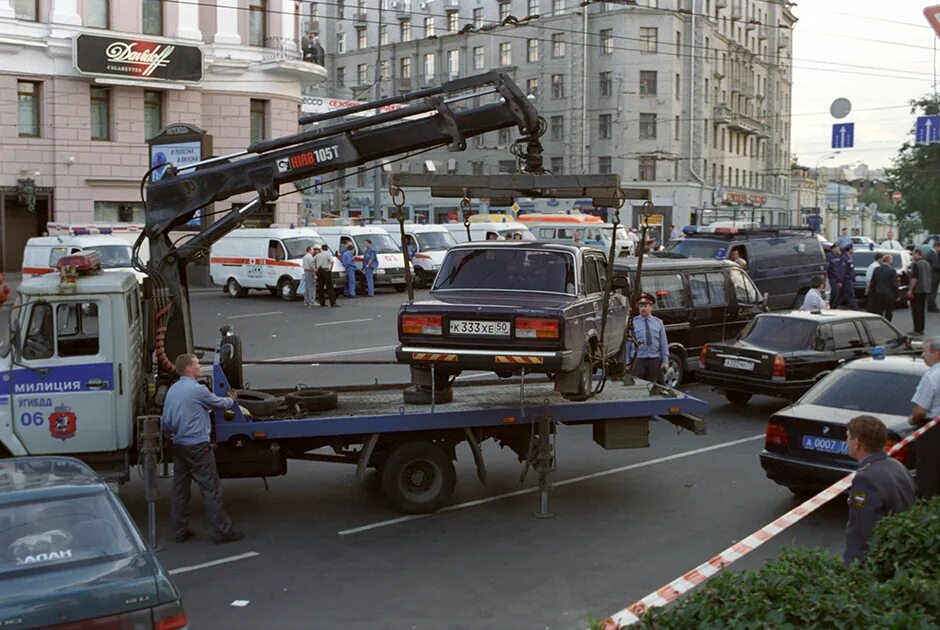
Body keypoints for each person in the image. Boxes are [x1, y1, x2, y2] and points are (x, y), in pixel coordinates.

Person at [161, 354, 245, 544]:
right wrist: (232, 398)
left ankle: (180, 531)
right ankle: (223, 531)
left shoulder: (173, 390)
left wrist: (172, 436)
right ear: (189, 369)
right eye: (197, 364)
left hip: (179, 445)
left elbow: (166, 422)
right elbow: (220, 404)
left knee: (180, 490)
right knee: (210, 489)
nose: (200, 367)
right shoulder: (197, 390)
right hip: (197, 446)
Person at [842, 414, 915, 566]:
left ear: (857, 443)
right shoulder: (897, 466)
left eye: (848, 437)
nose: (846, 441)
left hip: (865, 564)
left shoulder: (865, 478)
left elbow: (868, 530)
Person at [908, 337, 940, 499]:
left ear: (936, 354)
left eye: (925, 351)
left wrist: (912, 420)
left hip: (932, 431)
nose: (922, 355)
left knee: (928, 470)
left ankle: (926, 505)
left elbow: (920, 410)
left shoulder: (931, 377)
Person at [627, 292, 669, 384]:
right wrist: (627, 362)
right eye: (641, 306)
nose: (643, 309)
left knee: (653, 385)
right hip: (638, 360)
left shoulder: (658, 322)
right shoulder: (633, 322)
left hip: (654, 359)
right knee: (637, 386)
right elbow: (628, 344)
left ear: (651, 307)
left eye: (645, 306)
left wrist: (665, 361)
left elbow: (663, 343)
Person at [867, 254, 898, 321]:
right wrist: (897, 295)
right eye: (891, 259)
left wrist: (871, 293)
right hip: (888, 295)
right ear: (889, 260)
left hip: (878, 294)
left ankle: (879, 323)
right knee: (888, 312)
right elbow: (894, 284)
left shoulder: (876, 269)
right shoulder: (892, 271)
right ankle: (888, 323)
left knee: (878, 311)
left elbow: (873, 283)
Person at [908, 248, 931, 335]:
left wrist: (910, 290)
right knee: (921, 310)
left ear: (917, 254)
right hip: (925, 289)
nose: (912, 256)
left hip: (917, 290)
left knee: (916, 310)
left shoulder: (916, 264)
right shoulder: (927, 263)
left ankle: (916, 329)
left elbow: (914, 278)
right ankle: (921, 329)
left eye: (913, 254)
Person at [836, 242, 858, 310]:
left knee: (841, 296)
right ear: (849, 250)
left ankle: (833, 307)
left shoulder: (848, 257)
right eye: (852, 249)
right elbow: (842, 270)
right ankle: (855, 309)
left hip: (849, 279)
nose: (853, 250)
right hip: (846, 280)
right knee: (851, 295)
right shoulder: (844, 258)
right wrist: (840, 281)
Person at [826, 241, 846, 310]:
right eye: (837, 247)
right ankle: (832, 306)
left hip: (838, 278)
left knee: (838, 293)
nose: (839, 249)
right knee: (834, 293)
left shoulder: (839, 256)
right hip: (832, 278)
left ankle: (834, 306)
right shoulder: (829, 256)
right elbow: (829, 268)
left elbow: (841, 268)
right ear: (834, 248)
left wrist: (840, 280)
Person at [928, 240, 940, 312]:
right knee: (933, 291)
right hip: (933, 275)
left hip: (932, 275)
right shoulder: (933, 254)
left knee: (932, 291)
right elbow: (935, 266)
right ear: (936, 247)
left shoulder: (931, 253)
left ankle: (931, 306)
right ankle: (931, 306)